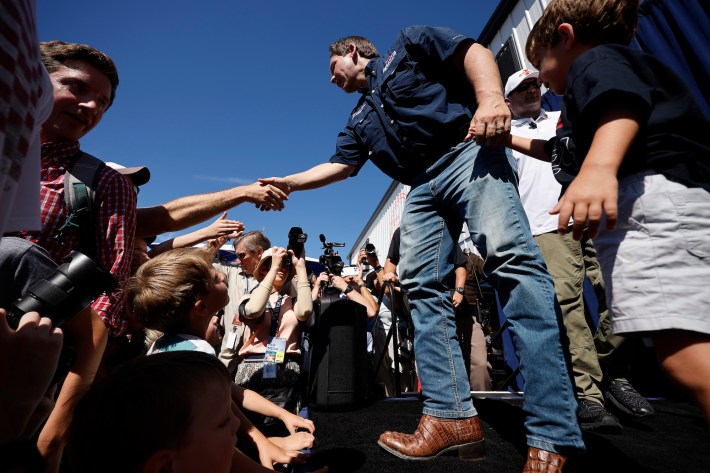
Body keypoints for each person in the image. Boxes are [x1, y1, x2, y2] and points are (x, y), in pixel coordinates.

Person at [260, 26, 584, 468]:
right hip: (420, 186)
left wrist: (491, 98)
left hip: (467, 152)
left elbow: (471, 52)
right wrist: (290, 184)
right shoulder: (358, 119)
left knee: (513, 263)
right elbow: (340, 166)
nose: (331, 79)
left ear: (352, 52)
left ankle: (553, 432)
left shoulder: (408, 45)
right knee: (420, 288)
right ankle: (452, 418)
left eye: (333, 68)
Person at [513, 0, 710, 424]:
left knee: (685, 355)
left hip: (654, 204)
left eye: (541, 63)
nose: (542, 79)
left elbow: (619, 105)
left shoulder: (597, 62)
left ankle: (606, 379)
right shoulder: (598, 82)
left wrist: (600, 168)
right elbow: (558, 151)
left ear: (564, 38)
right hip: (669, 204)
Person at [505, 67, 653, 429]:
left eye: (535, 84)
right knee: (570, 307)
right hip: (546, 225)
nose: (532, 90)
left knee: (628, 291)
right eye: (522, 87)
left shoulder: (561, 118)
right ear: (506, 99)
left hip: (594, 212)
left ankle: (608, 371)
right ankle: (588, 395)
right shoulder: (502, 136)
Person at [127, 247, 319, 469]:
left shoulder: (167, 348)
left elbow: (231, 394)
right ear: (201, 308)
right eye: (214, 277)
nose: (222, 275)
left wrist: (277, 423)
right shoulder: (198, 356)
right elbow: (221, 446)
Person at [236, 246, 313, 435]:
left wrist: (300, 268)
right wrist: (273, 268)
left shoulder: (292, 301)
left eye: (285, 265)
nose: (282, 268)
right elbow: (253, 310)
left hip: (286, 372)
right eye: (269, 265)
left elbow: (305, 312)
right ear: (262, 269)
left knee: (285, 433)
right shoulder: (249, 297)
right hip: (253, 373)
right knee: (253, 436)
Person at [217, 231, 272, 375]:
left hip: (260, 357)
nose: (238, 261)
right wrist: (217, 243)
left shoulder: (279, 278)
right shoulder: (232, 272)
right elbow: (201, 264)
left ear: (259, 252)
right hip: (229, 351)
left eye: (242, 255)